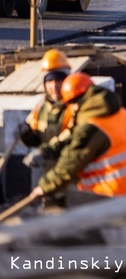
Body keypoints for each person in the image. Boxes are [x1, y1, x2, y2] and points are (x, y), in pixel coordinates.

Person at [30, 72, 126, 201]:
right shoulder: (122, 114)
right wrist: (47, 150)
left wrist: (44, 186)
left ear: (76, 102)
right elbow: (73, 137)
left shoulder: (92, 126)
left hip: (115, 196)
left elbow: (71, 163)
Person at [17, 49, 72, 207]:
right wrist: (25, 134)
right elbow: (35, 138)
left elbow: (75, 139)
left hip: (70, 175)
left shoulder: (74, 106)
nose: (54, 86)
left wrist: (45, 152)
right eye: (50, 81)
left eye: (59, 80)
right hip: (47, 174)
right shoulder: (41, 108)